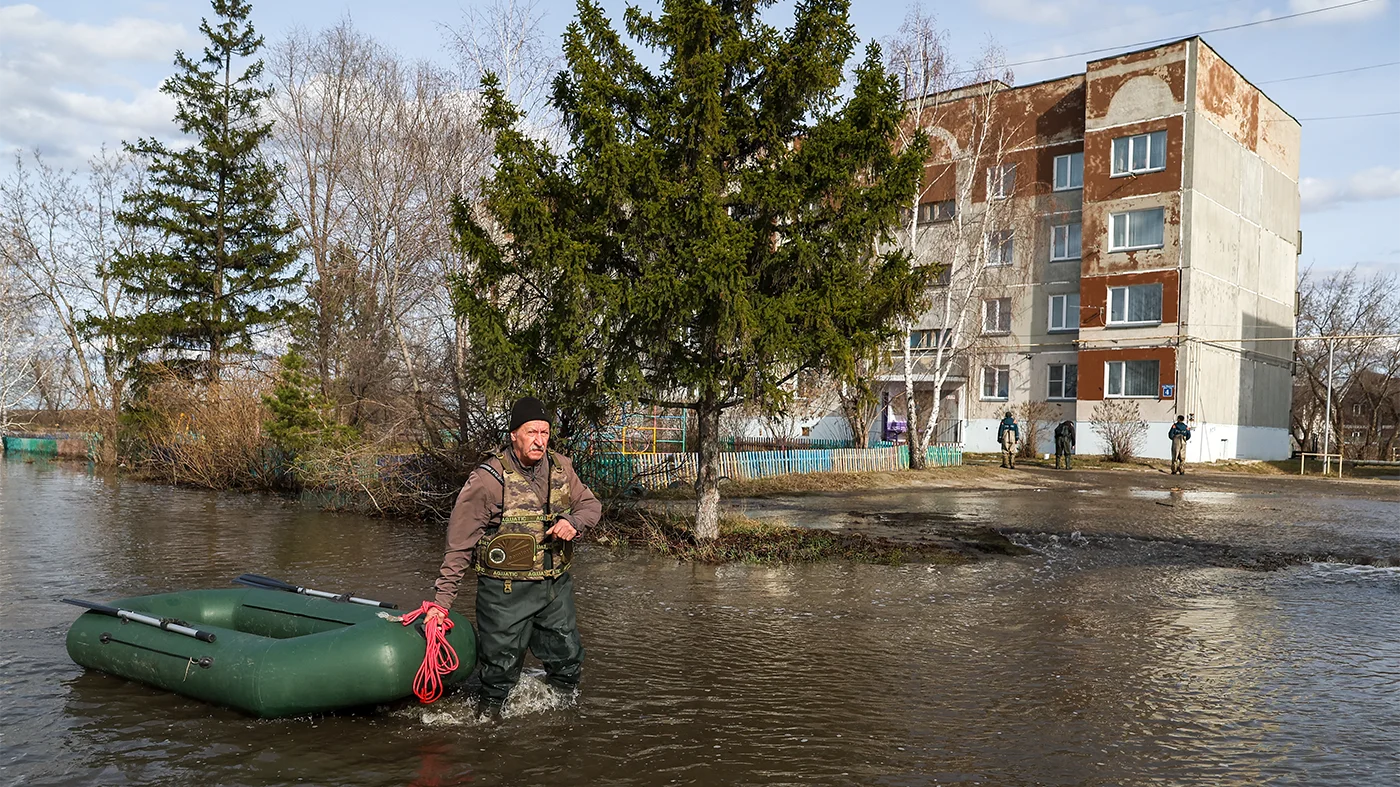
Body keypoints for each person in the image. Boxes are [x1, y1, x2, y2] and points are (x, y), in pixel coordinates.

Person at [427, 396, 602, 716]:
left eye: (545, 433)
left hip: (554, 588)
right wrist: (441, 604)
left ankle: (562, 727)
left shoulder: (562, 467)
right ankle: (489, 728)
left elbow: (591, 507)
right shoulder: (486, 480)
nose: (539, 440)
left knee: (568, 662)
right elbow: (459, 545)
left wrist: (573, 522)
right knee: (498, 675)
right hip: (504, 594)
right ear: (513, 434)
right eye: (532, 432)